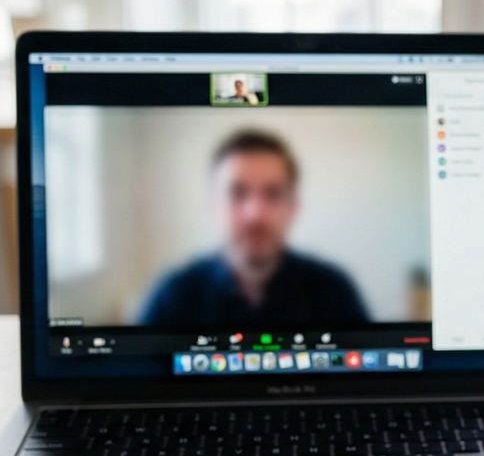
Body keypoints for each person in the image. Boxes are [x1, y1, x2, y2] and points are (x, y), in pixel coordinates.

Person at [138, 130, 370, 327]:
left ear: (293, 207)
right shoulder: (173, 296)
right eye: (237, 193)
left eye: (273, 193)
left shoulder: (334, 291)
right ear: (212, 205)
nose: (255, 213)